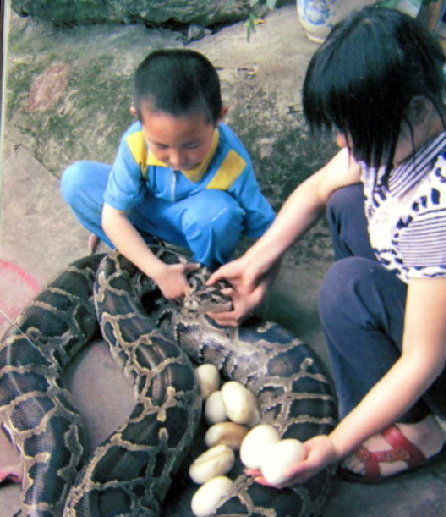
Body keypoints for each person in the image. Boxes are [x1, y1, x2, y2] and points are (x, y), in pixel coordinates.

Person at [207, 5, 446, 484]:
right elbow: (318, 188)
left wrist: (336, 445)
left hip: (435, 341)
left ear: (416, 110)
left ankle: (422, 428)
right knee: (344, 202)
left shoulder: (436, 211)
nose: (341, 142)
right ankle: (375, 370)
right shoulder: (415, 122)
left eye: (353, 131)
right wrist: (256, 262)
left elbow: (425, 357)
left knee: (346, 288)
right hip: (425, 284)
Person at [61, 49, 275, 300]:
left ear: (219, 117)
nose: (176, 160)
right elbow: (113, 216)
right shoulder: (135, 141)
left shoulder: (231, 160)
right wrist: (156, 271)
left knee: (217, 215)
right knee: (77, 180)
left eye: (191, 145)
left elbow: (271, 236)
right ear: (138, 119)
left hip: (193, 223)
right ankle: (145, 256)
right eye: (161, 146)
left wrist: (259, 293)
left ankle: (202, 275)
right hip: (147, 211)